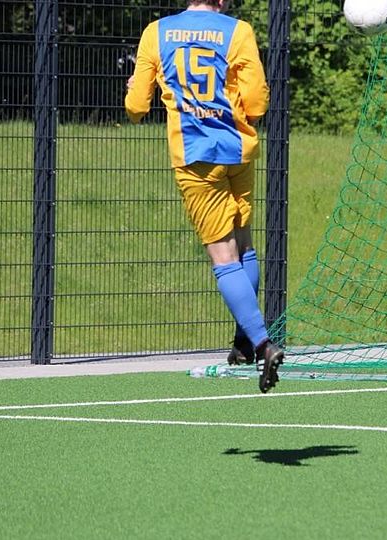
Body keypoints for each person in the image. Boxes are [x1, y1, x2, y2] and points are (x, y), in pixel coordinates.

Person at [124, 0, 283, 392]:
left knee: (223, 257)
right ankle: (243, 342)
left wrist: (133, 93)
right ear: (222, 0)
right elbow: (257, 103)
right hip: (237, 150)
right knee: (243, 243)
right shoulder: (238, 30)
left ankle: (263, 344)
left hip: (195, 156)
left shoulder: (156, 32)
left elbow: (136, 106)